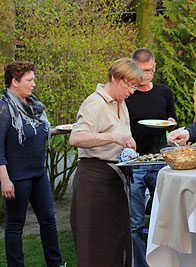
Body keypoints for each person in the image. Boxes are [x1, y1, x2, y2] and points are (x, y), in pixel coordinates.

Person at [69, 58, 145, 267]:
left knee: (117, 241)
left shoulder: (121, 103)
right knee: (97, 246)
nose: (131, 91)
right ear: (114, 78)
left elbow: (121, 138)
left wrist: (127, 149)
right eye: (128, 85)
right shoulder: (95, 103)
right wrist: (113, 137)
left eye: (134, 86)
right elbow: (75, 138)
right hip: (94, 183)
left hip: (115, 179)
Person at [0, 61, 64, 267]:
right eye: (29, 80)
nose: (33, 84)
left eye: (33, 79)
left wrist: (56, 130)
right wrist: (5, 180)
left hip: (39, 174)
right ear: (14, 82)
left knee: (49, 222)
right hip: (17, 177)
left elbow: (34, 130)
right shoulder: (4, 109)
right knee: (15, 226)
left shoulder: (32, 105)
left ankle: (55, 264)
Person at [125, 48, 178, 267]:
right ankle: (140, 263)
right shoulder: (127, 94)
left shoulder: (164, 92)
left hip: (160, 161)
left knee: (164, 218)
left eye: (149, 71)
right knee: (135, 223)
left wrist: (172, 127)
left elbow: (172, 120)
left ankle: (164, 261)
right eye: (141, 71)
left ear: (155, 68)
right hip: (135, 162)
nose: (145, 76)